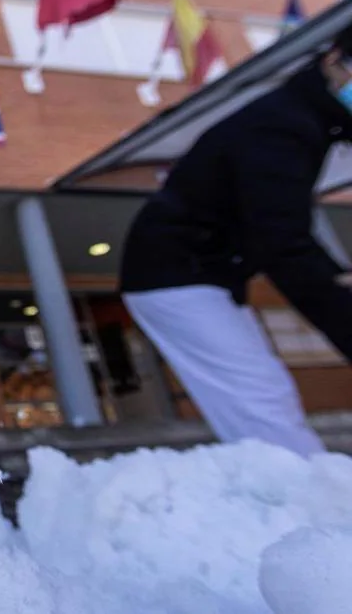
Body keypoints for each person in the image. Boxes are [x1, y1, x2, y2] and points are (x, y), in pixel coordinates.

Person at [119, 24, 352, 457]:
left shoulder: (308, 121)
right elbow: (280, 238)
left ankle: (300, 498)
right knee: (259, 398)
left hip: (207, 274)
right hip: (174, 275)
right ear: (333, 60)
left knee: (265, 392)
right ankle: (308, 505)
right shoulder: (283, 127)